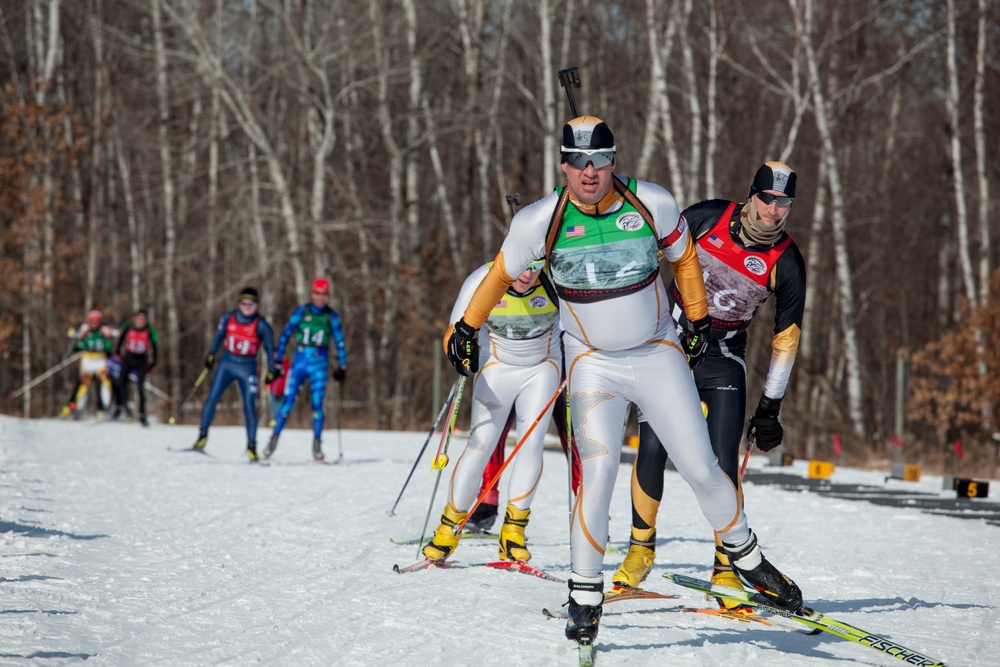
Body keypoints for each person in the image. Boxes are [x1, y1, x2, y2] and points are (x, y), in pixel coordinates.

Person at [443, 116, 804, 646]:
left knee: (703, 465)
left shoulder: (652, 202)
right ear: (563, 164)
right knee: (599, 473)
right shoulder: (539, 220)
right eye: (578, 161)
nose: (590, 173)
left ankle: (746, 556)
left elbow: (683, 259)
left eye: (601, 161)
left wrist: (698, 321)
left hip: (657, 354)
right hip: (591, 362)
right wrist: (467, 328)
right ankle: (585, 594)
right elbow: (500, 273)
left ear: (615, 161)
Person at [611, 161, 807, 612]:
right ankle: (639, 552)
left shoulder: (787, 263)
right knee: (653, 449)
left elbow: (786, 339)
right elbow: (649, 253)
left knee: (721, 467)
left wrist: (770, 408)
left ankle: (726, 569)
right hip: (670, 349)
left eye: (784, 204)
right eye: (768, 200)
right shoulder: (708, 217)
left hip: (724, 361)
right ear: (751, 195)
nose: (775, 212)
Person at [422, 261, 563, 564]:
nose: (529, 275)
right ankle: (448, 529)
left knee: (531, 443)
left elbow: (581, 324)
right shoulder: (481, 280)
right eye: (522, 267)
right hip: (496, 367)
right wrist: (460, 354)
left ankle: (514, 532)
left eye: (536, 267)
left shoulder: (556, 277)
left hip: (543, 369)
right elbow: (453, 332)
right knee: (480, 444)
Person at [264, 277, 347, 461]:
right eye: (317, 293)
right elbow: (286, 334)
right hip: (299, 363)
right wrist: (277, 361)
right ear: (311, 293)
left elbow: (340, 341)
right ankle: (273, 440)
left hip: (319, 365)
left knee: (317, 405)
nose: (320, 297)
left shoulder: (331, 316)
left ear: (328, 296)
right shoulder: (302, 311)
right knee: (288, 402)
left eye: (324, 294)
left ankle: (317, 445)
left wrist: (342, 365)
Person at [192, 287, 277, 461]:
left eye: (250, 304)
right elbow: (218, 336)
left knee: (248, 406)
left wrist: (272, 370)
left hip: (247, 366)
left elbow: (269, 349)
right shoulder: (228, 318)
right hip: (227, 363)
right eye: (243, 303)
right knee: (212, 398)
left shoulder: (261, 325)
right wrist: (211, 354)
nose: (246, 307)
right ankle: (202, 437)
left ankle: (251, 447)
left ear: (257, 305)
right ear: (239, 303)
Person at [60, 309, 116, 420]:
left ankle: (104, 408)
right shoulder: (84, 328)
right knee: (83, 384)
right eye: (92, 321)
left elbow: (116, 332)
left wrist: (113, 329)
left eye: (97, 321)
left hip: (100, 360)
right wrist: (76, 331)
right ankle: (78, 408)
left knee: (105, 383)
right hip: (87, 360)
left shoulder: (103, 329)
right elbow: (71, 333)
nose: (94, 324)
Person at [113, 308, 158, 426]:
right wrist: (117, 353)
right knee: (120, 382)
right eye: (139, 318)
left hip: (141, 360)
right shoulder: (128, 327)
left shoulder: (149, 330)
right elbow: (121, 339)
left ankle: (142, 414)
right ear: (135, 319)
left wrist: (154, 363)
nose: (141, 321)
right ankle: (121, 408)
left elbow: (154, 347)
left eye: (143, 319)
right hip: (128, 358)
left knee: (140, 386)